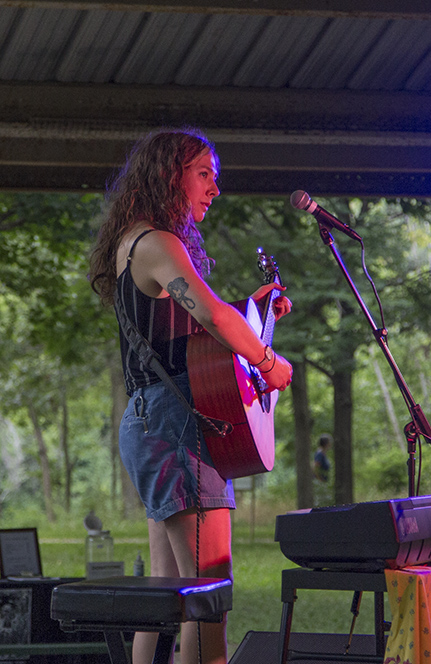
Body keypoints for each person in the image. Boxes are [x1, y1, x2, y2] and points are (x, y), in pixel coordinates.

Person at [88, 128, 293, 664]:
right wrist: (269, 361)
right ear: (168, 174)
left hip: (152, 423)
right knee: (207, 598)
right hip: (174, 428)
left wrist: (254, 309)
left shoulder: (136, 241)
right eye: (204, 174)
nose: (214, 189)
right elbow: (214, 317)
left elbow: (192, 334)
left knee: (169, 594)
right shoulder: (158, 242)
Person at [313, 434, 333, 506]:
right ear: (326, 443)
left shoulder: (323, 454)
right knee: (322, 501)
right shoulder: (319, 454)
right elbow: (315, 466)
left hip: (324, 481)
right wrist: (319, 479)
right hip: (320, 482)